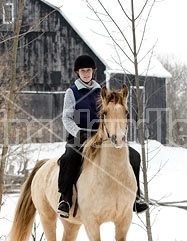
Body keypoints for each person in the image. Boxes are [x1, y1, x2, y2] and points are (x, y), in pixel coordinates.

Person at [57, 54, 149, 218]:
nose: (86, 73)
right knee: (69, 158)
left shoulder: (102, 91)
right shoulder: (72, 92)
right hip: (79, 135)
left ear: (93, 72)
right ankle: (64, 199)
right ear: (78, 72)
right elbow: (66, 118)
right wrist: (79, 132)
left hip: (101, 136)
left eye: (89, 70)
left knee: (134, 156)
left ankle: (136, 197)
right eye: (82, 71)